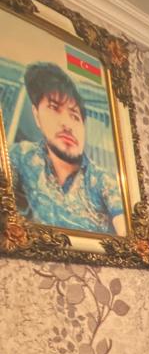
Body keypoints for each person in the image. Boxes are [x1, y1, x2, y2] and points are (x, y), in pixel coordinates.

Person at [9, 62, 125, 234]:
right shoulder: (21, 155)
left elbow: (124, 228)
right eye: (54, 108)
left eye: (75, 116)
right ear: (36, 115)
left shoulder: (102, 181)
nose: (67, 124)